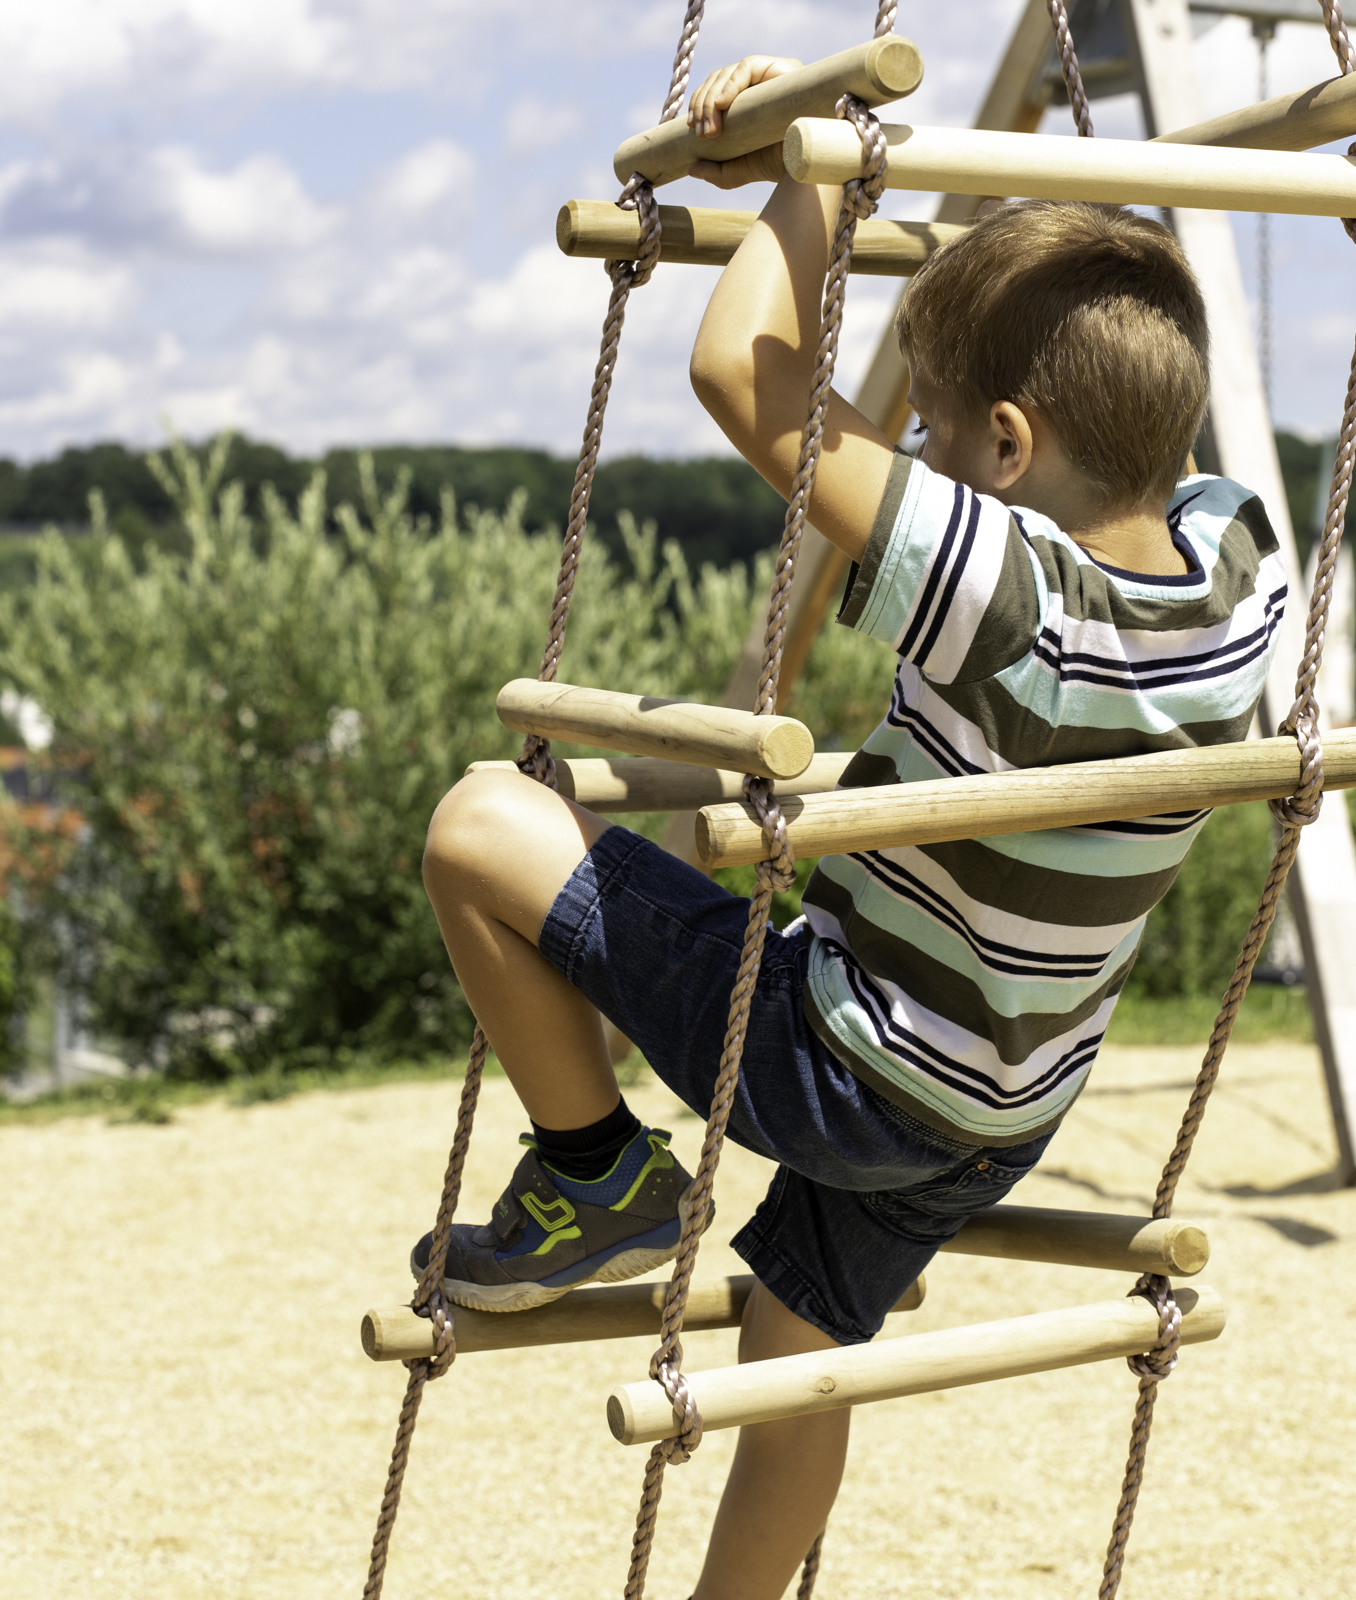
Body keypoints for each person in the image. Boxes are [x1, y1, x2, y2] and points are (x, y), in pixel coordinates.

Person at [414, 56, 1286, 1600]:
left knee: (484, 819)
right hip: (999, 1109)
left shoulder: (1016, 591)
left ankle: (595, 1166)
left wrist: (814, 180)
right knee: (789, 1352)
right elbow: (1151, 440)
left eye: (935, 436)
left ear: (1006, 453)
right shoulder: (1238, 573)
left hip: (845, 1072)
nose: (920, 462)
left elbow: (743, 377)